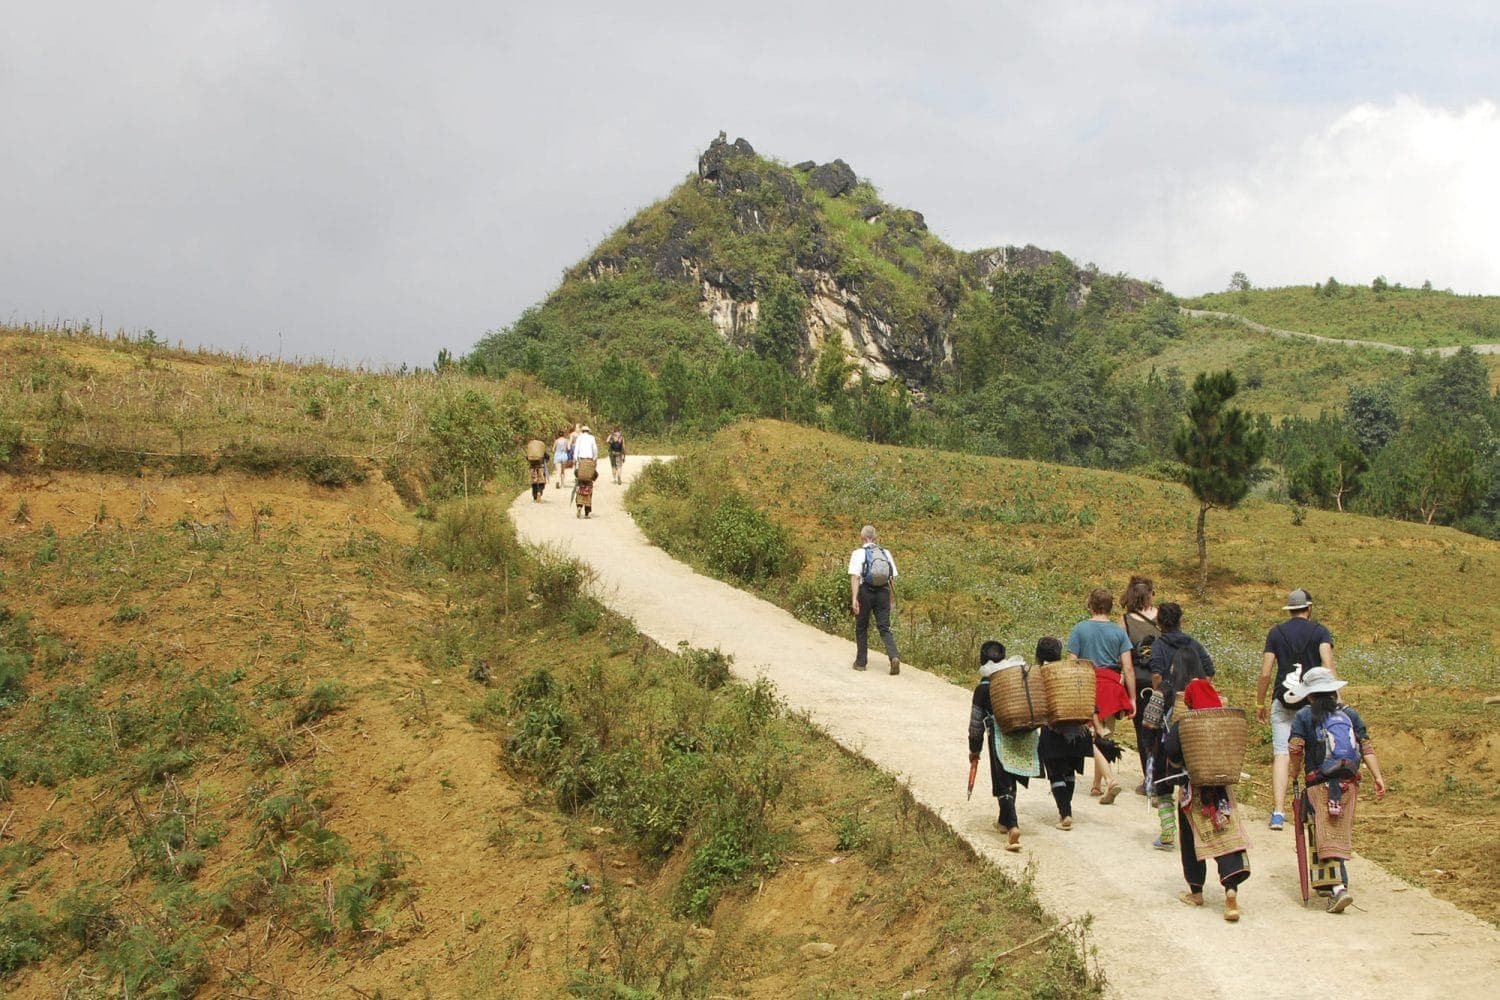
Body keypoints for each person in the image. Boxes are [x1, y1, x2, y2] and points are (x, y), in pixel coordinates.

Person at [1284, 666, 1387, 913]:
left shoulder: (1305, 716)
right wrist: (1378, 777)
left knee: (1322, 832)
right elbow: (1366, 747)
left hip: (1318, 783)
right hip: (1348, 783)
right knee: (1336, 831)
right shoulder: (1350, 714)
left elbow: (1296, 748)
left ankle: (1338, 887)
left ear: (1309, 695)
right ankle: (1327, 884)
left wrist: (1293, 773)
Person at [1162, 647, 1251, 922]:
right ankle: (1231, 892)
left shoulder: (1186, 723)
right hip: (1222, 790)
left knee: (1191, 838)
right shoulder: (1225, 721)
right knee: (1225, 834)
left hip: (1194, 790)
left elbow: (1172, 753)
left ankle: (1196, 891)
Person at [1256, 589, 1335, 831]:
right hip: (1312, 704)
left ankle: (1278, 812)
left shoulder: (1276, 633)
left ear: (1289, 610)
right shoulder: (1320, 631)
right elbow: (1328, 666)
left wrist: (1259, 702)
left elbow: (1266, 672)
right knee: (1316, 753)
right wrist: (1337, 699)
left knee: (1281, 753)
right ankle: (1317, 809)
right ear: (1309, 608)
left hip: (1284, 702)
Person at [1065, 588, 1135, 803]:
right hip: (1112, 687)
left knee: (1092, 737)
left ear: (1090, 605)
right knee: (1104, 735)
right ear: (1110, 606)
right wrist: (1132, 699)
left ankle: (1109, 780)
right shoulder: (1119, 632)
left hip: (1088, 684)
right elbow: (1128, 668)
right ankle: (1096, 785)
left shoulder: (1080, 629)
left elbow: (1071, 662)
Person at [968, 642, 1037, 852]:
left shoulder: (983, 687)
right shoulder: (1015, 680)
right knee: (1012, 775)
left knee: (1001, 782)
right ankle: (1003, 821)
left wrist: (974, 749)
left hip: (999, 735)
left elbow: (975, 722)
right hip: (1024, 732)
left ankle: (1013, 826)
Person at [1035, 636, 1093, 831]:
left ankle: (1065, 812)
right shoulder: (1071, 671)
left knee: (1055, 773)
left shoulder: (1041, 673)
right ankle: (1067, 809)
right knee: (1069, 772)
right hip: (1078, 731)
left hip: (1054, 731)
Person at [1120, 576, 1159, 794]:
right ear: (1151, 593)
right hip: (1163, 682)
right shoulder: (1163, 616)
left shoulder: (1125, 621)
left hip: (1140, 681)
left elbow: (1123, 658)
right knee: (1162, 730)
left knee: (1144, 732)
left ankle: (1150, 779)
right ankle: (1163, 779)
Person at [848, 525, 901, 674]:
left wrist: (854, 599)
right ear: (875, 538)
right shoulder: (886, 553)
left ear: (862, 538)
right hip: (883, 592)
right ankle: (894, 656)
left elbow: (856, 577)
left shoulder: (858, 553)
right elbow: (891, 578)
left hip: (866, 592)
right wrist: (891, 599)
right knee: (884, 627)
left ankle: (861, 662)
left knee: (861, 627)